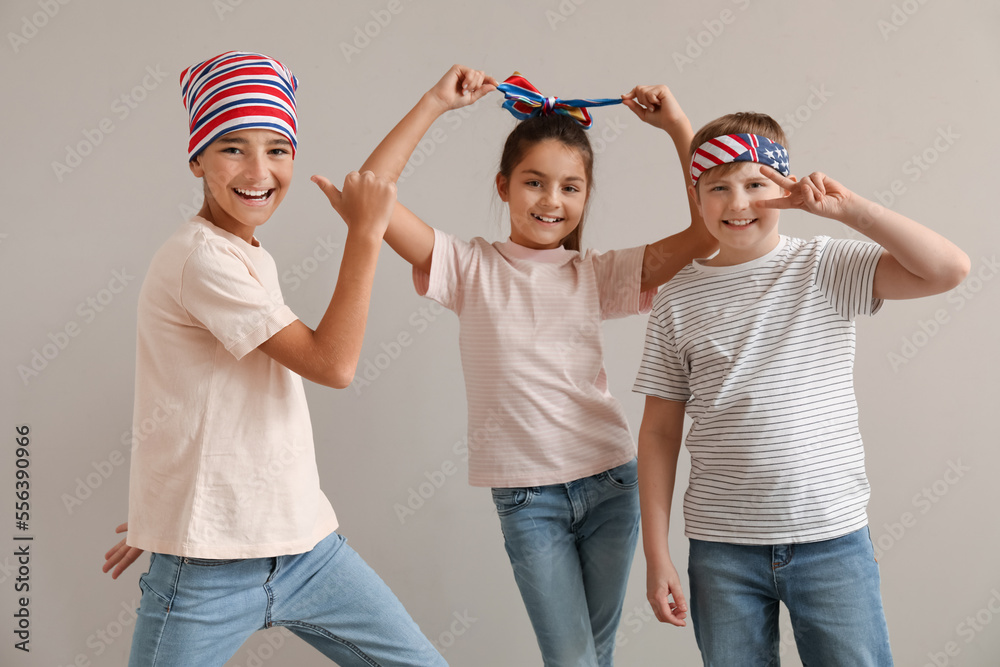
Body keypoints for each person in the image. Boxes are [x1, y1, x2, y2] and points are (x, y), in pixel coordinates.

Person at [335, 65, 716, 666]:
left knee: (595, 656)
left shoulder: (597, 274)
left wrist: (677, 128)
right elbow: (367, 191)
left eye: (570, 187)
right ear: (504, 186)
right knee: (573, 660)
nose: (551, 201)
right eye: (535, 183)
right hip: (528, 500)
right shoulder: (468, 267)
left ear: (586, 196)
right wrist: (434, 102)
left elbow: (708, 230)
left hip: (612, 483)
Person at [102, 51, 447, 667]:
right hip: (208, 569)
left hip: (305, 547)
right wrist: (364, 236)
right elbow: (333, 364)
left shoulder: (245, 252)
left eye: (278, 149)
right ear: (196, 158)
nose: (259, 169)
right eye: (233, 147)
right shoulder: (200, 258)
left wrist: (435, 101)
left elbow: (206, 396)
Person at [633, 111, 970, 665]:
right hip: (721, 550)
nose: (738, 203)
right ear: (697, 198)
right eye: (718, 188)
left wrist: (851, 210)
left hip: (831, 540)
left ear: (786, 189)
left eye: (756, 184)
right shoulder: (676, 300)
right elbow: (659, 431)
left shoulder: (825, 265)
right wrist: (656, 553)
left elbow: (948, 269)